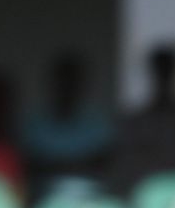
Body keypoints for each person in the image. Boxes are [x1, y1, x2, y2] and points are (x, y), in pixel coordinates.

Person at [109, 42, 175, 192]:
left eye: (168, 71)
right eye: (161, 71)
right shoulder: (136, 121)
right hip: (147, 194)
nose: (164, 76)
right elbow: (128, 165)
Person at [21, 52, 113, 188]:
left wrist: (53, 164)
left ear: (81, 85)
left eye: (72, 81)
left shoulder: (97, 122)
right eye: (63, 80)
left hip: (89, 200)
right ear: (53, 83)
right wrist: (77, 163)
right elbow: (29, 164)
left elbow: (103, 162)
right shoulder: (34, 122)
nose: (67, 86)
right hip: (43, 198)